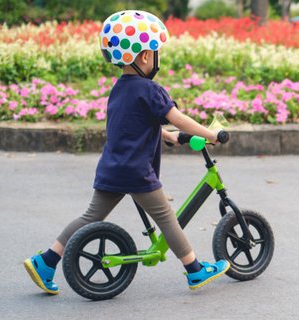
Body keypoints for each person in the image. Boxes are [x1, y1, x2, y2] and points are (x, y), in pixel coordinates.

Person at [23, 10, 229, 295]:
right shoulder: (151, 90)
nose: (158, 58)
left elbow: (132, 126)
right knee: (167, 218)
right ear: (145, 56)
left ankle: (45, 261)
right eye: (156, 52)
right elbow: (177, 116)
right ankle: (194, 270)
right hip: (136, 171)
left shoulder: (119, 89)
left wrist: (168, 137)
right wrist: (211, 133)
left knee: (90, 217)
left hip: (112, 167)